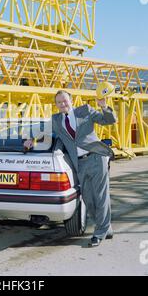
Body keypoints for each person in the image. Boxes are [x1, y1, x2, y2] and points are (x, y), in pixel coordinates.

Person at [25, 90, 117, 247]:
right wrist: (31, 141)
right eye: (59, 102)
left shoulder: (85, 110)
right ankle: (105, 227)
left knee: (100, 196)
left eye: (65, 101)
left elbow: (109, 120)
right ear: (56, 105)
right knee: (88, 198)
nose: (62, 104)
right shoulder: (55, 120)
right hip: (79, 163)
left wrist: (104, 107)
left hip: (96, 157)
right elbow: (44, 133)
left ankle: (99, 232)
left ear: (71, 100)